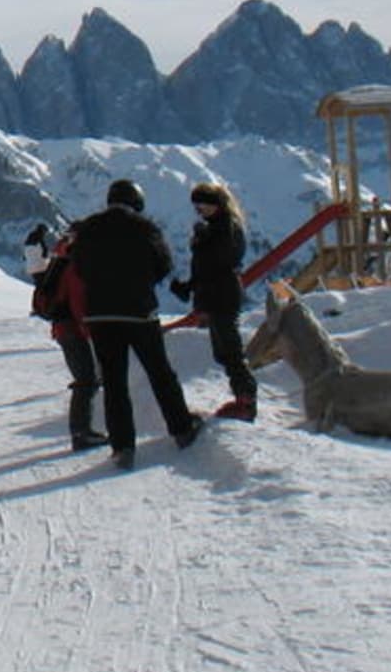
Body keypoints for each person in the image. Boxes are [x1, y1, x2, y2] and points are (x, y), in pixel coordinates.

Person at [71, 178, 200, 469]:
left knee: (114, 382)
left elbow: (78, 267)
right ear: (137, 202)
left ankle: (122, 448)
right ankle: (182, 428)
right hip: (138, 311)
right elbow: (163, 264)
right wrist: (141, 282)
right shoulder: (145, 228)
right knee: (160, 373)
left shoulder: (88, 228)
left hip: (100, 315)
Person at [170, 183, 257, 421]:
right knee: (224, 350)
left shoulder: (224, 227)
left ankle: (246, 399)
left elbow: (217, 261)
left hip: (222, 294)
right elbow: (207, 266)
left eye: (202, 204)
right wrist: (189, 287)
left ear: (214, 204)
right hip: (217, 293)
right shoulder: (219, 226)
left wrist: (202, 242)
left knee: (230, 349)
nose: (199, 210)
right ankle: (243, 397)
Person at [29, 224, 105, 452]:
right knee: (86, 380)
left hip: (64, 329)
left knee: (85, 378)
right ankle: (82, 433)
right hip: (73, 329)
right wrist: (90, 332)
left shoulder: (61, 260)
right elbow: (78, 302)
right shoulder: (75, 266)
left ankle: (82, 431)